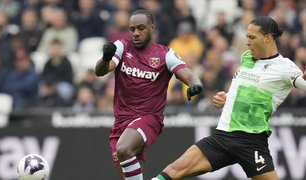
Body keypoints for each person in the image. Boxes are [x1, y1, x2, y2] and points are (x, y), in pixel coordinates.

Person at [152, 16, 306, 180]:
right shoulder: (247, 57)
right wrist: (227, 98)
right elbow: (244, 88)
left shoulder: (285, 68)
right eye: (247, 37)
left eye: (252, 37)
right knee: (173, 171)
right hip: (222, 137)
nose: (248, 42)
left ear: (268, 38)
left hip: (251, 141)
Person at [94, 9, 203, 180]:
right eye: (132, 29)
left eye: (141, 28)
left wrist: (195, 84)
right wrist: (105, 58)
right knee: (128, 175)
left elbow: (188, 74)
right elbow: (100, 71)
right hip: (121, 122)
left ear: (152, 28)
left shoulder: (165, 54)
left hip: (149, 118)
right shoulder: (122, 47)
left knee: (124, 148)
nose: (136, 33)